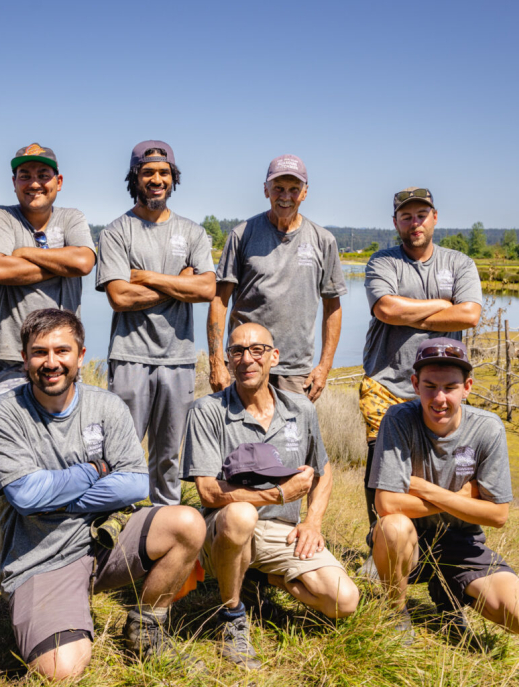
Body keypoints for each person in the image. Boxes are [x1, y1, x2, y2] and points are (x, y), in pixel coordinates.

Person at [0, 309, 206, 681]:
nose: (51, 362)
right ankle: (59, 607)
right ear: (24, 359)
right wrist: (94, 470)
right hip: (40, 557)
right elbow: (23, 495)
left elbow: (135, 484)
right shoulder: (2, 415)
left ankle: (145, 626)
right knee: (60, 670)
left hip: (104, 538)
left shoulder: (106, 406)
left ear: (81, 355)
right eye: (39, 352)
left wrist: (54, 497)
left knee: (187, 523)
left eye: (62, 351)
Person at [182, 322, 360, 668]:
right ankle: (232, 615)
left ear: (274, 357)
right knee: (241, 515)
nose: (247, 359)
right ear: (228, 361)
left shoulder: (300, 409)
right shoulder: (207, 412)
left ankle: (263, 577)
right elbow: (206, 492)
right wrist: (278, 494)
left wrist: (313, 522)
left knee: (344, 601)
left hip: (284, 531)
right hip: (224, 528)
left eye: (257, 350)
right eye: (237, 351)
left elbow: (322, 472)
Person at [368, 338, 519, 644]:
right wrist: (462, 497)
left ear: (467, 387)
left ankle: (447, 594)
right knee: (393, 526)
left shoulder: (488, 428)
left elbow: (498, 514)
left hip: (462, 542)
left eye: (450, 387)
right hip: (410, 539)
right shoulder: (398, 419)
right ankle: (395, 610)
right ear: (415, 384)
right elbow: (387, 503)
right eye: (430, 386)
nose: (439, 398)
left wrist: (424, 489)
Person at [95, 141, 215, 506]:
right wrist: (179, 283)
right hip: (130, 357)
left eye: (164, 173)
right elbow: (120, 297)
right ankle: (118, 528)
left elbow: (207, 288)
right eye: (148, 173)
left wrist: (146, 277)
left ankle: (166, 530)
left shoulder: (192, 232)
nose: (156, 179)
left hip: (178, 359)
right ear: (136, 177)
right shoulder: (117, 231)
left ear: (173, 178)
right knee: (122, 454)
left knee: (168, 457)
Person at [361, 187, 482, 528]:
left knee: (433, 462)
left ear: (434, 218)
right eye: (406, 217)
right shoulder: (383, 261)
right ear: (396, 222)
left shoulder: (459, 263)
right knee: (380, 464)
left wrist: (409, 313)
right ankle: (379, 539)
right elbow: (386, 308)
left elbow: (470, 315)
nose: (415, 223)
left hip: (440, 385)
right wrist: (443, 307)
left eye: (421, 215)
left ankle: (436, 540)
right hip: (385, 381)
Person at [209, 155, 347, 401]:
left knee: (291, 439)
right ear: (266, 190)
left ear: (305, 193)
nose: (285, 196)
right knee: (239, 438)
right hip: (245, 363)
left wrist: (324, 367)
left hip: (295, 372)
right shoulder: (242, 235)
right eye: (278, 188)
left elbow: (332, 307)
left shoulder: (323, 240)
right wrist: (217, 362)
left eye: (294, 189)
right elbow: (219, 301)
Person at [0, 143, 96, 404]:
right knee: (7, 442)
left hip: (63, 361)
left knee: (64, 443)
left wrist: (23, 252)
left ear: (59, 181)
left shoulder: (71, 218)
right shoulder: (1, 216)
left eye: (43, 175)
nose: (34, 183)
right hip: (8, 360)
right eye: (25, 175)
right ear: (14, 181)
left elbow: (84, 263)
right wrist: (63, 264)